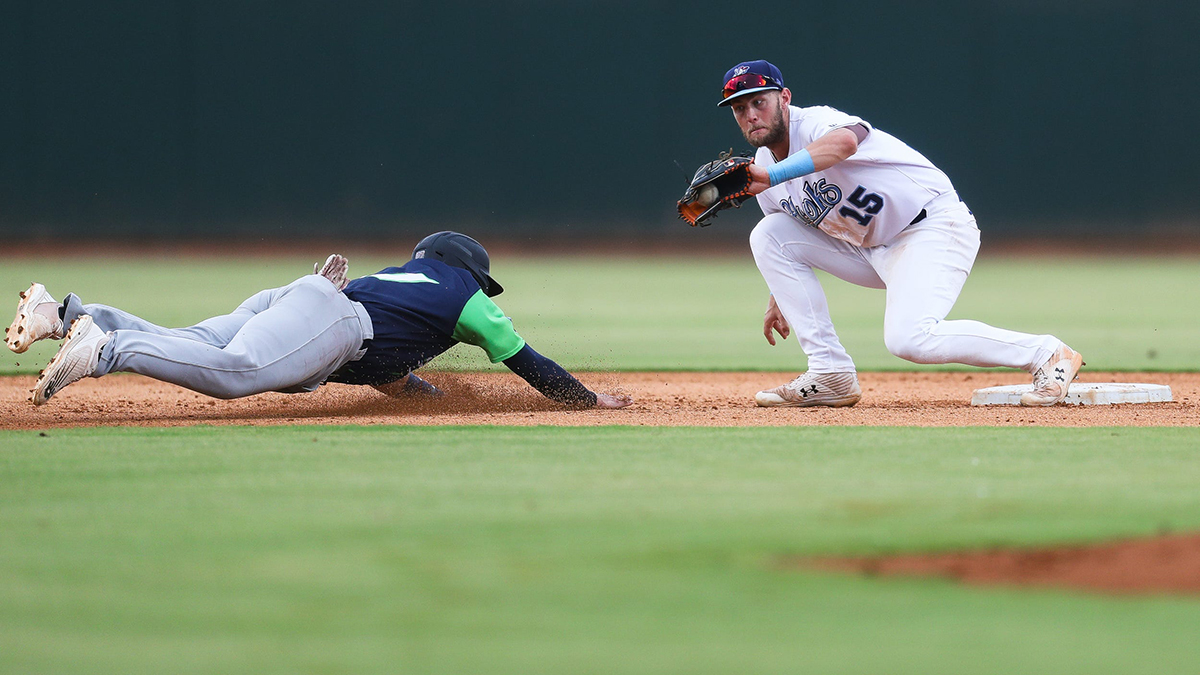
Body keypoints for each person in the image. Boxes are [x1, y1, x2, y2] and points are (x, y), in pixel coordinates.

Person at [713, 60, 1082, 408]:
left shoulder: (815, 123)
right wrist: (780, 295)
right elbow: (786, 234)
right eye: (739, 109)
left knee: (910, 339)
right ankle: (830, 372)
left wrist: (772, 177)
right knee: (767, 233)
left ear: (785, 98)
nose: (751, 115)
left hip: (932, 226)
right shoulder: (762, 168)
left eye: (758, 102)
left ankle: (1047, 354)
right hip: (869, 248)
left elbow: (845, 143)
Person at [5, 231, 632, 410]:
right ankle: (102, 351)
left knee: (195, 341)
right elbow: (528, 360)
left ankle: (70, 317)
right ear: (468, 268)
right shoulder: (465, 293)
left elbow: (390, 369)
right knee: (234, 373)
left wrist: (424, 397)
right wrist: (587, 398)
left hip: (307, 294)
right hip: (332, 321)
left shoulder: (406, 285)